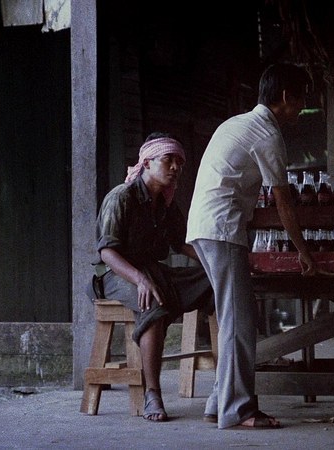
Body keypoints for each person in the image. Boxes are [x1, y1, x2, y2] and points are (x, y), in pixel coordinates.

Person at [186, 63, 326, 429]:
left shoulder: (236, 123)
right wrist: (305, 253)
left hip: (204, 227)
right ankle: (239, 411)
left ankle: (218, 403)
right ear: (286, 96)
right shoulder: (267, 134)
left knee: (234, 318)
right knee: (240, 323)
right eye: (301, 98)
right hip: (222, 228)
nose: (302, 107)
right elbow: (283, 203)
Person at [89, 132, 214, 422]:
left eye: (179, 163)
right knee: (153, 302)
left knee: (214, 281)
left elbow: (182, 243)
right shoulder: (121, 197)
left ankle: (227, 385)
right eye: (168, 160)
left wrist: (218, 265)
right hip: (114, 273)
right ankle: (153, 393)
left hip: (152, 271)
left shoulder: (166, 204)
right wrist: (139, 279)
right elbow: (106, 252)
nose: (175, 168)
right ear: (146, 163)